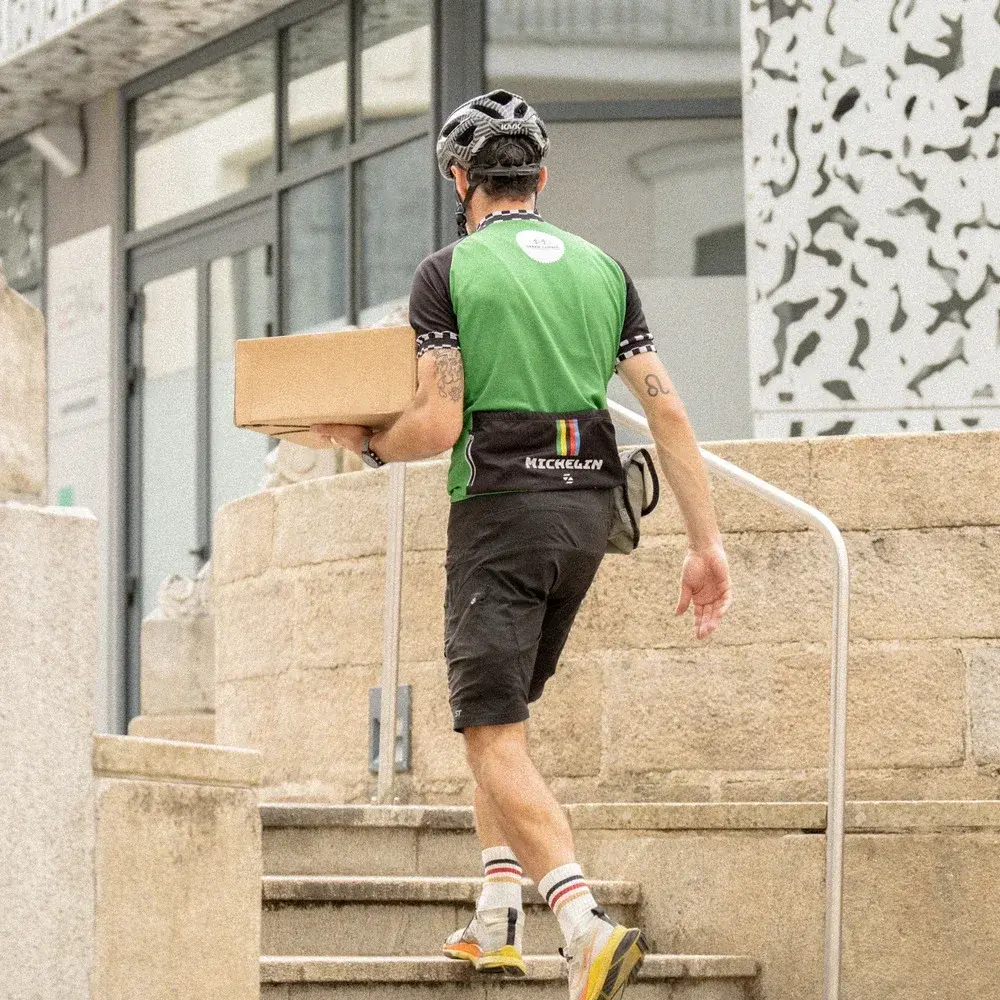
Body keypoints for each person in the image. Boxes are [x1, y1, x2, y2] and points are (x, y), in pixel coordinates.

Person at [313, 89, 732, 1000]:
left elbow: (438, 419)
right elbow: (667, 408)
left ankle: (580, 923)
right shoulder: (604, 269)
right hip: (586, 516)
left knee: (492, 730)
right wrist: (705, 544)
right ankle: (498, 912)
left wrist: (361, 442)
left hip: (501, 511)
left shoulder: (447, 272)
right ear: (541, 177)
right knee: (500, 721)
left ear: (460, 181)